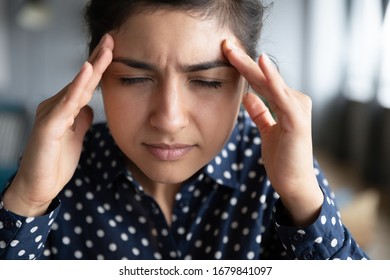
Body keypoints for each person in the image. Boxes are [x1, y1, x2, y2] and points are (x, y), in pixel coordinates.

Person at [0, 0, 369, 260]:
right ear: (94, 78)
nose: (169, 118)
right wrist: (28, 201)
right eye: (133, 79)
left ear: (246, 81)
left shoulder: (281, 177)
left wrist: (303, 199)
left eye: (207, 81)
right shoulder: (59, 175)